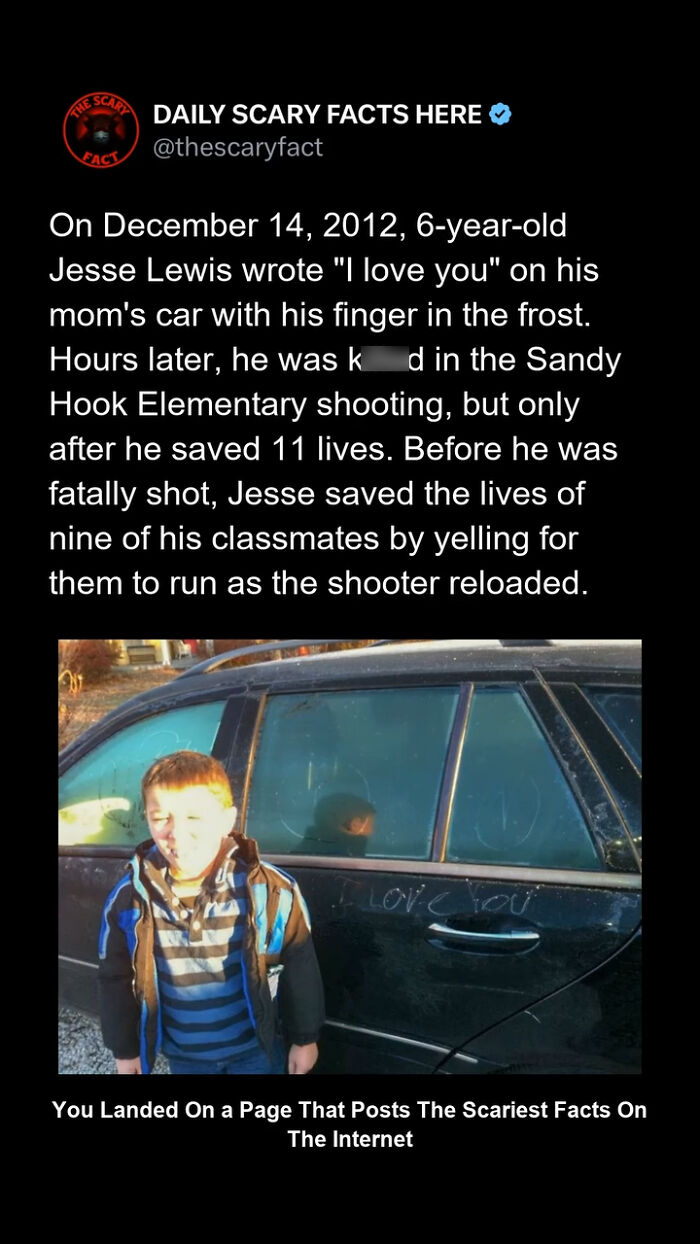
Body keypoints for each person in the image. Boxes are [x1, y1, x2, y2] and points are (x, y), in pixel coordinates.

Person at [98, 750, 324, 1075]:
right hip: (186, 1060)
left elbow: (300, 963)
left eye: (194, 817)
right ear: (147, 817)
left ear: (226, 820)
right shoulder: (131, 899)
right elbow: (115, 976)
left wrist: (305, 1038)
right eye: (161, 817)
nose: (176, 832)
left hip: (256, 1051)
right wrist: (125, 1050)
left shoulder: (269, 889)